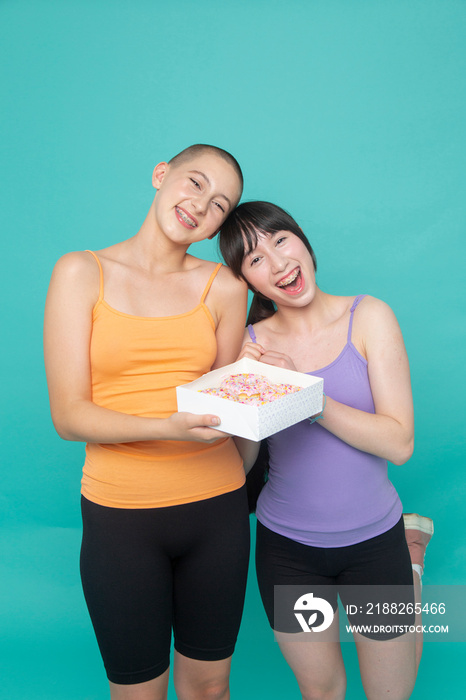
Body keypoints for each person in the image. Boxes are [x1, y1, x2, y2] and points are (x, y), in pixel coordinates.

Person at [44, 145, 251, 700]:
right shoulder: (79, 272)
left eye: (219, 204)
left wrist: (266, 391)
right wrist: (167, 427)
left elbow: (227, 403)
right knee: (138, 692)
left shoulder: (227, 289)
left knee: (209, 687)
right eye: (193, 183)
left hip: (219, 511)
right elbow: (69, 415)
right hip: (122, 520)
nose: (199, 205)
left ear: (219, 225)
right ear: (162, 175)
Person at [219, 201, 433, 700]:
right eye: (254, 259)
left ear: (303, 241)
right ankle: (415, 561)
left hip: (375, 545)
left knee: (390, 694)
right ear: (247, 282)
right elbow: (240, 466)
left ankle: (411, 565)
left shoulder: (369, 316)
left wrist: (303, 394)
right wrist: (240, 394)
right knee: (324, 691)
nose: (276, 263)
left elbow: (400, 442)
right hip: (288, 553)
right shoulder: (248, 344)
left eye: (280, 240)